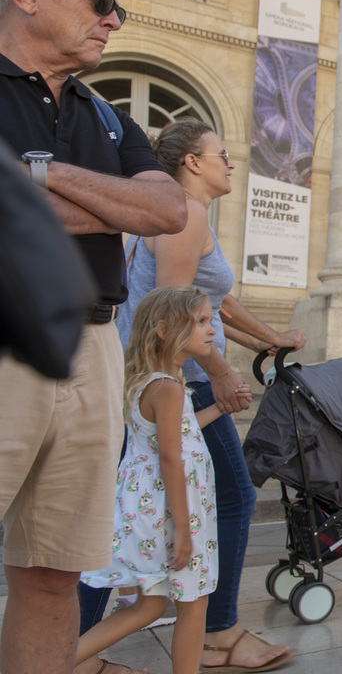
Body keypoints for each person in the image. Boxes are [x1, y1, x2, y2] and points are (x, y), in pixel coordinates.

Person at [0, 0, 187, 674]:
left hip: (94, 351)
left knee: (53, 574)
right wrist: (112, 202)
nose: (114, 20)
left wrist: (33, 178)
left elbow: (167, 210)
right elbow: (132, 210)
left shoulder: (107, 114)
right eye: (100, 0)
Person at [76, 118, 300, 674]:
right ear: (192, 162)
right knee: (232, 498)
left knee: (124, 516)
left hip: (154, 380)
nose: (231, 162)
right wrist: (223, 373)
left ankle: (81, 645)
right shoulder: (184, 213)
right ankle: (214, 631)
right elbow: (174, 309)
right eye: (221, 154)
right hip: (176, 382)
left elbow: (213, 302)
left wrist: (270, 338)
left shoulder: (180, 214)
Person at [77, 288, 220, 674]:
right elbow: (171, 458)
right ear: (163, 329)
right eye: (202, 322)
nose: (212, 329)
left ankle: (55, 661)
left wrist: (219, 408)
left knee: (149, 605)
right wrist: (185, 531)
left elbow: (178, 437)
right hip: (173, 513)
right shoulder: (169, 389)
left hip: (146, 508)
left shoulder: (152, 382)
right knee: (194, 604)